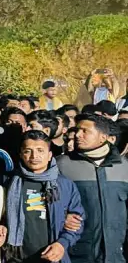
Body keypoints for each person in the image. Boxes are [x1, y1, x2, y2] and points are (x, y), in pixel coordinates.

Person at [4, 131, 84, 263]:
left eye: (40, 150)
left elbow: (77, 222)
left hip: (53, 257)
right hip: (16, 257)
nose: (34, 156)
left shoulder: (65, 184)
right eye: (28, 151)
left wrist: (62, 244)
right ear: (21, 154)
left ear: (49, 155)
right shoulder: (9, 182)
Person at [56, 113, 127, 263]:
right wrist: (62, 217)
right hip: (75, 252)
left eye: (85, 131)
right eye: (77, 130)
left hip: (115, 254)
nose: (77, 135)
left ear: (103, 137)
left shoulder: (123, 167)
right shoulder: (62, 165)